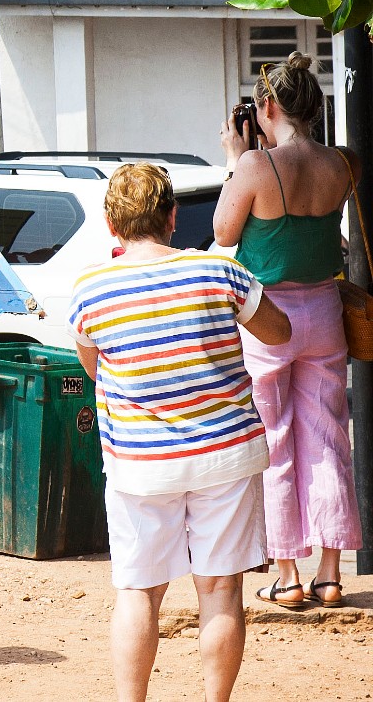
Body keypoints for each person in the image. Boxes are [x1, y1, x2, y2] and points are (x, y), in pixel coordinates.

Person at [75, 162, 294, 702]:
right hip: (225, 454)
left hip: (139, 464)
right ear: (174, 217)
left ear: (111, 225)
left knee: (138, 594)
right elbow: (280, 330)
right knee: (221, 591)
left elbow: (94, 368)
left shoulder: (90, 290)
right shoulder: (218, 273)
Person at [214, 52, 363, 609]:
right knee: (327, 438)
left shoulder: (256, 166)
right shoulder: (342, 166)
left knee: (274, 440)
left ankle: (287, 573)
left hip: (267, 315)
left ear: (268, 106)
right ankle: (330, 574)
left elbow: (224, 234)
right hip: (324, 310)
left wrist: (236, 155)